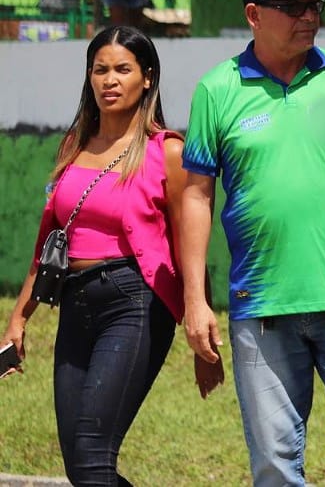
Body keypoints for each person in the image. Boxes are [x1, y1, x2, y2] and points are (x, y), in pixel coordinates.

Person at [180, 0, 325, 487]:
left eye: (314, 5)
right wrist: (195, 300)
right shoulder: (217, 90)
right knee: (273, 467)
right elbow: (196, 196)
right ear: (254, 14)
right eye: (292, 7)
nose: (309, 16)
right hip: (260, 308)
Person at [1, 25, 219, 484]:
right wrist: (20, 317)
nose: (109, 80)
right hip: (74, 305)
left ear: (147, 78)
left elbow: (188, 246)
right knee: (82, 465)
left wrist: (200, 333)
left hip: (133, 302)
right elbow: (50, 241)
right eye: (100, 69)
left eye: (123, 69)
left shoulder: (168, 152)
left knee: (93, 452)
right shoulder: (74, 147)